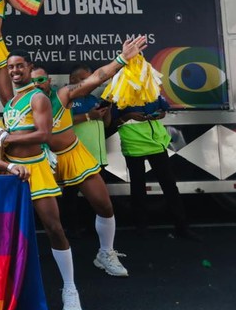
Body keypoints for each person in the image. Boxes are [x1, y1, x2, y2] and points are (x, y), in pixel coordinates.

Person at [28, 35, 147, 279]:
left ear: (49, 81)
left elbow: (96, 78)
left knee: (104, 205)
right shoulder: (22, 103)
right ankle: (26, 261)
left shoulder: (62, 95)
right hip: (43, 162)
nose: (37, 84)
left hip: (74, 155)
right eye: (32, 81)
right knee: (49, 222)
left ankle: (105, 252)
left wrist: (122, 59)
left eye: (41, 79)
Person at [0, 50, 82, 310]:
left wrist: (7, 139)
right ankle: (7, 293)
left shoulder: (38, 97)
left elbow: (44, 134)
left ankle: (70, 288)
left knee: (54, 227)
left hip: (36, 170)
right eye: (10, 67)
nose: (15, 71)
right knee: (8, 233)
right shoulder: (11, 104)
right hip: (11, 173)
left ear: (29, 67)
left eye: (19, 66)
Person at [112, 95, 198, 240]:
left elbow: (163, 111)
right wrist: (128, 116)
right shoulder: (120, 94)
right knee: (138, 188)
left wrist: (158, 115)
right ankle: (141, 229)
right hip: (134, 145)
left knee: (170, 185)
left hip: (157, 144)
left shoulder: (152, 91)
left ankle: (182, 227)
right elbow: (111, 123)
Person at [69, 63, 111, 167]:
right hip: (79, 156)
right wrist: (88, 116)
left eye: (89, 80)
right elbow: (60, 122)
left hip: (98, 155)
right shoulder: (66, 98)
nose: (87, 83)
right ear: (72, 79)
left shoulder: (93, 98)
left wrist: (108, 109)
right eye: (83, 79)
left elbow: (106, 124)